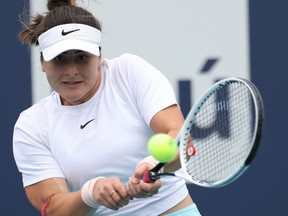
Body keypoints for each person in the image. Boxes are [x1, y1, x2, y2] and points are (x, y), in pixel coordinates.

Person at [13, 0, 202, 215]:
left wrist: (154, 164)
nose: (72, 70)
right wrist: (91, 194)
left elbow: (181, 139)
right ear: (43, 62)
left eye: (82, 57)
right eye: (60, 59)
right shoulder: (31, 125)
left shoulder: (129, 72)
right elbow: (53, 207)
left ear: (99, 56)